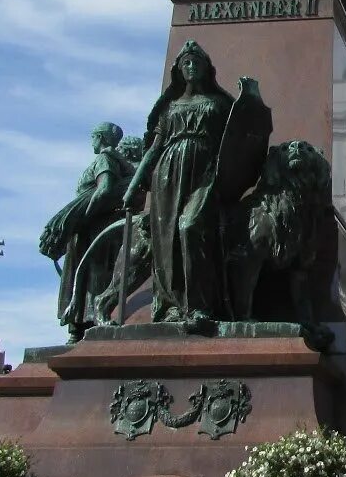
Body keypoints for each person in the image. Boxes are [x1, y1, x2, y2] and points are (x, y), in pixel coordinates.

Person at [125, 42, 234, 327]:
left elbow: (235, 141)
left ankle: (201, 304)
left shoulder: (220, 104)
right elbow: (154, 147)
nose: (191, 67)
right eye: (186, 62)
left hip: (205, 171)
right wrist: (135, 183)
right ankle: (172, 306)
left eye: (196, 62)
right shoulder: (170, 107)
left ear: (207, 68)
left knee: (191, 226)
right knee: (168, 237)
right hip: (168, 172)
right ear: (178, 69)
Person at [41, 121, 135, 342]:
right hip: (93, 227)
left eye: (93, 136)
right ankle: (81, 324)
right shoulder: (111, 159)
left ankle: (83, 325)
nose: (91, 140)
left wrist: (83, 216)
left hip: (92, 227)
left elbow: (104, 189)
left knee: (87, 275)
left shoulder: (104, 159)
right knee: (84, 275)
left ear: (101, 137)